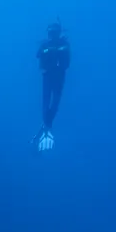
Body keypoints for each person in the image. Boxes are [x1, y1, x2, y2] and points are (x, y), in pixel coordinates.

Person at [32, 21, 71, 152]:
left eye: (54, 32)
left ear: (58, 33)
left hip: (58, 78)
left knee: (54, 103)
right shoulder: (46, 45)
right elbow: (38, 56)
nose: (52, 35)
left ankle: (47, 125)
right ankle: (47, 125)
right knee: (47, 102)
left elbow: (67, 62)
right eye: (50, 33)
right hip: (48, 77)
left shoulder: (63, 44)